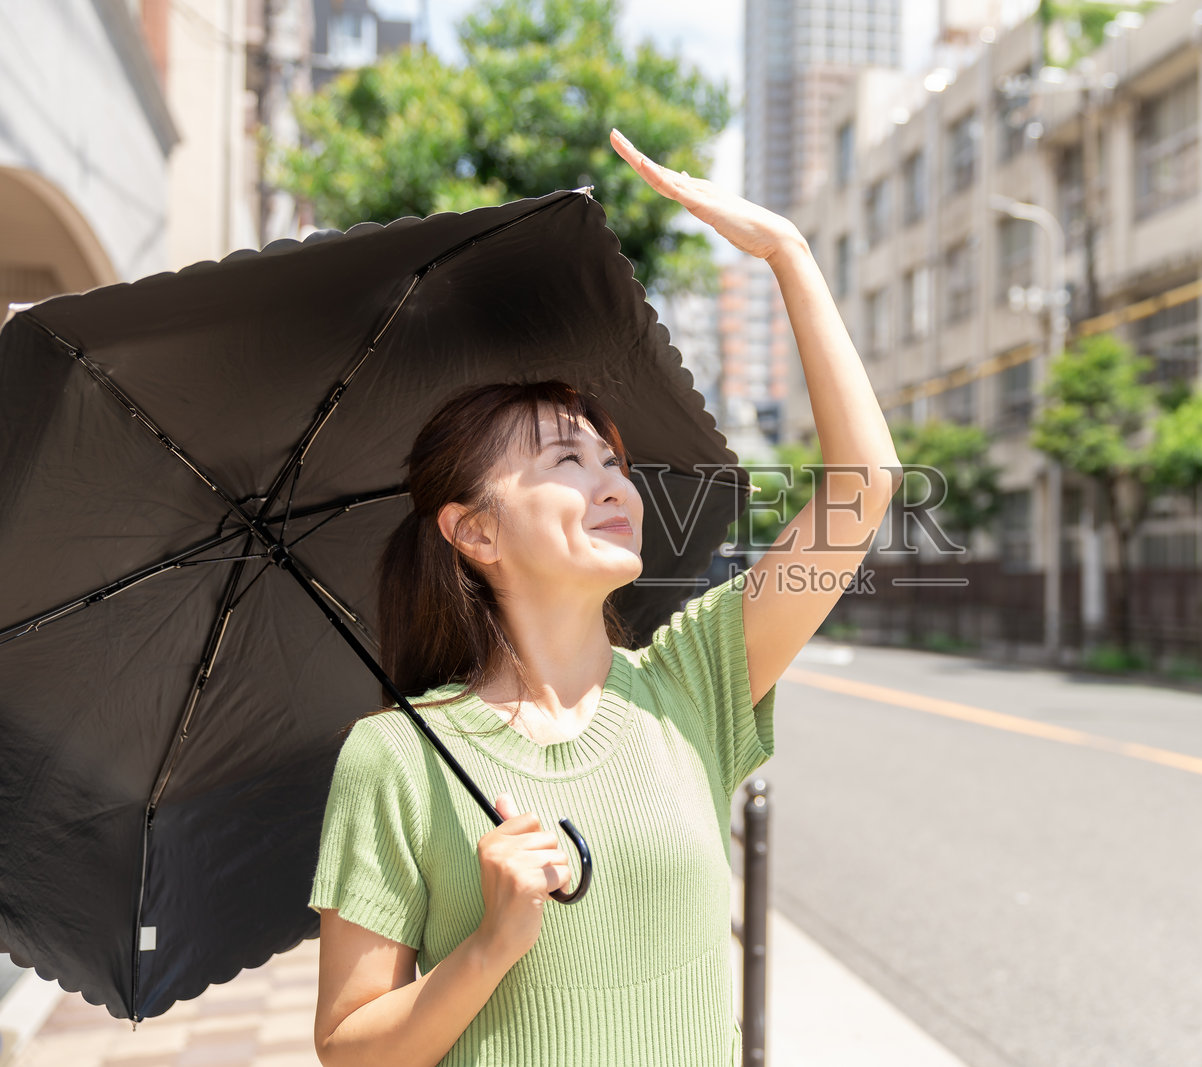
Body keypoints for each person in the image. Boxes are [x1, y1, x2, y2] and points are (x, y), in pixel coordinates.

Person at [307, 128, 901, 1067]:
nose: (615, 485)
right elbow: (348, 1048)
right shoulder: (396, 758)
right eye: (566, 461)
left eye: (614, 463)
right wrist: (490, 943)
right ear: (476, 530)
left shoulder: (694, 679)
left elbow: (862, 487)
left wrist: (789, 254)